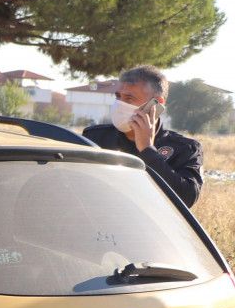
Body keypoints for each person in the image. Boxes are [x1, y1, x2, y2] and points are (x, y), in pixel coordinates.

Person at [83, 65, 203, 207]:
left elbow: (186, 199)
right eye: (118, 96)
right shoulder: (94, 137)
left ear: (156, 103)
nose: (120, 104)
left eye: (129, 98)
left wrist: (147, 149)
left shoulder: (185, 149)